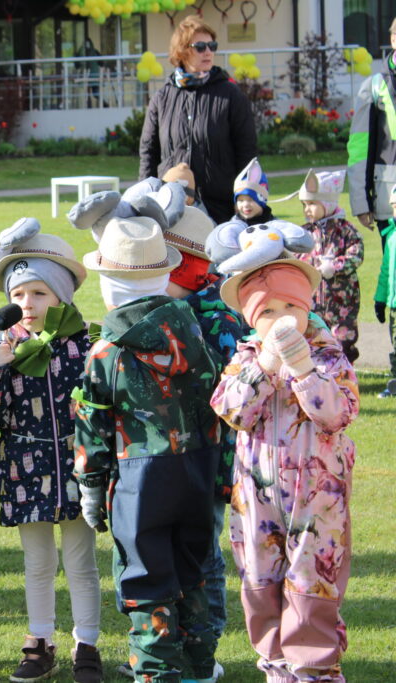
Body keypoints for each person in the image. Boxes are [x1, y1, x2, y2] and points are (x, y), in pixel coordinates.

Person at [73, 218, 220, 683]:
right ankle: (198, 665)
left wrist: (90, 486)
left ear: (110, 286)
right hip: (199, 466)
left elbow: (92, 424)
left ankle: (156, 670)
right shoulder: (194, 334)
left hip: (141, 477)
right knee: (191, 569)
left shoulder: (106, 352)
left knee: (145, 577)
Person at [0, 222, 104, 683]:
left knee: (81, 562)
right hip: (25, 472)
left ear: (61, 295)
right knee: (38, 562)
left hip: (77, 467)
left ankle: (87, 642)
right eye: (19, 294)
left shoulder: (87, 345)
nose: (28, 303)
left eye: (40, 293)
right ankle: (40, 641)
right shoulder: (4, 348)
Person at [212, 259, 357, 683]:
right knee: (261, 579)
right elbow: (232, 411)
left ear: (307, 308)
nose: (280, 319)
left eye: (290, 307)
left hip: (317, 499)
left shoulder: (327, 355)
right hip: (257, 498)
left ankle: (314, 669)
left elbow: (337, 414)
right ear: (251, 319)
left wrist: (304, 370)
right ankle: (276, 666)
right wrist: (266, 366)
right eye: (268, 311)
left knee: (312, 581)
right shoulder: (246, 357)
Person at [164, 208, 247, 681]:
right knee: (181, 544)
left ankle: (207, 641)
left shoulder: (217, 319)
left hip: (213, 455)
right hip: (178, 453)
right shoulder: (174, 311)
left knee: (205, 548)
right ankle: (177, 640)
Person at [139, 15, 256, 224]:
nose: (208, 52)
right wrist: (145, 200)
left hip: (220, 211)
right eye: (200, 47)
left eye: (212, 46)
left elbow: (247, 153)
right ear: (182, 51)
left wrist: (245, 199)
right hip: (170, 210)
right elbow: (148, 153)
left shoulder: (231, 96)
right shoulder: (162, 98)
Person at [291, 170, 364, 363]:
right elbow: (296, 256)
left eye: (312, 204)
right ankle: (320, 370)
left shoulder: (345, 230)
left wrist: (335, 266)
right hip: (313, 299)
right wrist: (309, 265)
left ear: (327, 203)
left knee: (343, 337)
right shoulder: (305, 233)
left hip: (342, 300)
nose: (307, 209)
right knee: (314, 335)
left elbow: (356, 254)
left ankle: (345, 369)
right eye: (304, 205)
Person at [348, 17, 396, 243]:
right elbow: (359, 147)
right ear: (393, 40)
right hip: (390, 199)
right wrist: (360, 201)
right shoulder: (374, 86)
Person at [374, 185, 396, 397]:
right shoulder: (391, 237)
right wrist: (380, 300)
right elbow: (385, 272)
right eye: (395, 207)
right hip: (394, 305)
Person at [233, 158, 274, 226]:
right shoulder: (233, 226)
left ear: (262, 200)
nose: (245, 205)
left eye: (251, 200)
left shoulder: (274, 225)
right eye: (240, 200)